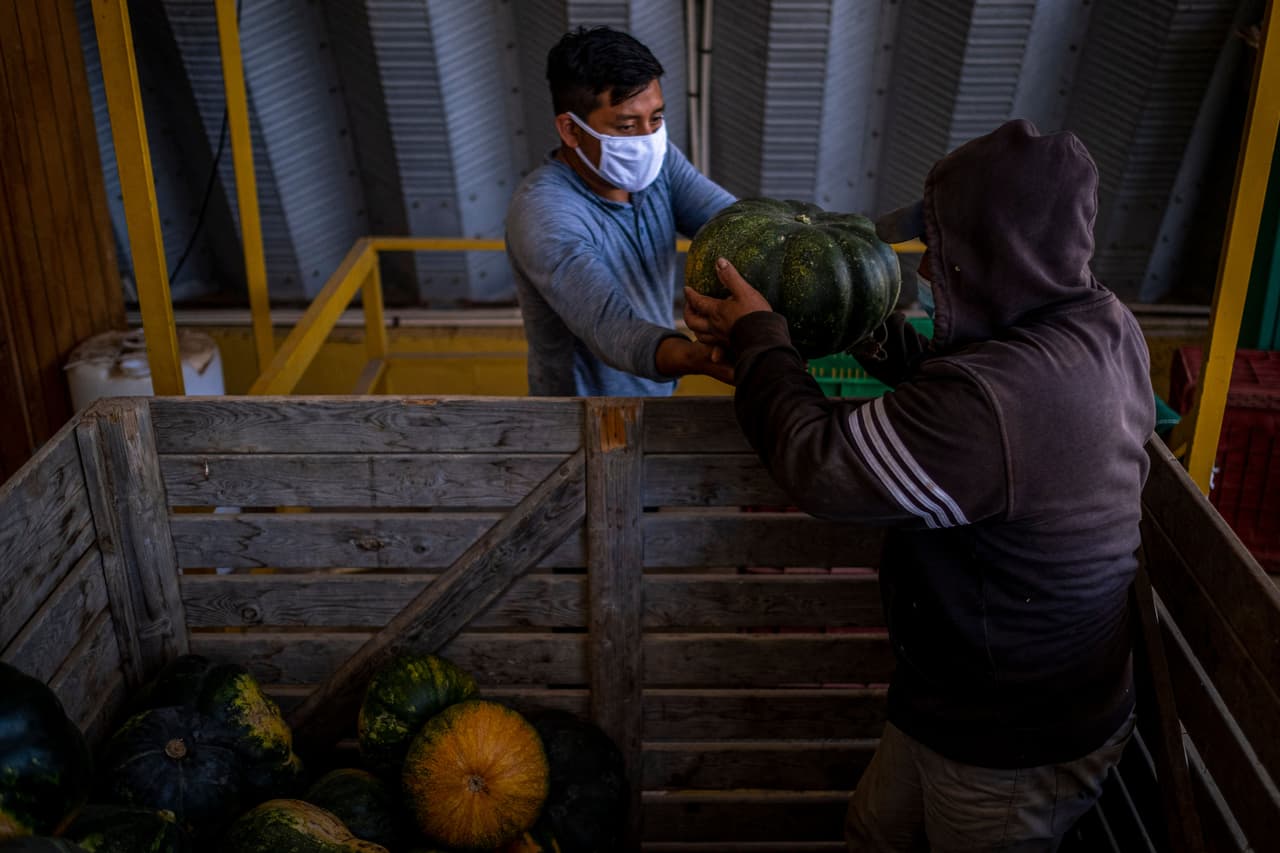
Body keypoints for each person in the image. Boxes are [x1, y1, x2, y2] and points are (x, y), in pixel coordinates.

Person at [683, 119, 1155, 851]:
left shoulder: (999, 400)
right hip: (958, 697)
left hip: (1010, 741)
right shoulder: (1097, 321)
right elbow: (956, 396)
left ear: (999, 255)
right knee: (874, 832)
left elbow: (822, 466)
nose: (929, 268)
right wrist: (856, 325)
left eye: (943, 247)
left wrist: (760, 346)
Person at [505, 26, 735, 396]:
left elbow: (734, 224)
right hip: (581, 420)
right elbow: (612, 328)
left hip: (658, 391)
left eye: (656, 119)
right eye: (627, 126)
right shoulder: (544, 213)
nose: (647, 139)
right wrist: (701, 359)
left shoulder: (660, 164)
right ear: (570, 130)